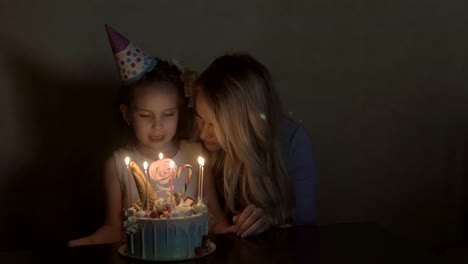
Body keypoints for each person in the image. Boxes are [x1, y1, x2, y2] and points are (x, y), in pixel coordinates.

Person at [67, 25, 221, 246]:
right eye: (145, 115)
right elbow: (114, 227)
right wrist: (89, 241)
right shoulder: (117, 165)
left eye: (168, 114)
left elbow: (216, 218)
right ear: (127, 114)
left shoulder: (196, 155)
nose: (157, 126)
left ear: (180, 111)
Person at [193, 53, 317, 238]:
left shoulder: (292, 141)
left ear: (244, 126)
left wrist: (270, 221)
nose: (203, 134)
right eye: (200, 119)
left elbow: (306, 225)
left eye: (214, 126)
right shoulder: (198, 145)